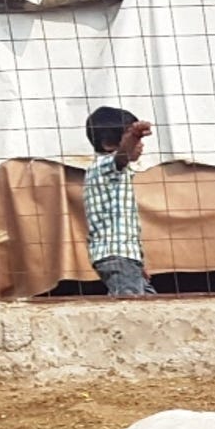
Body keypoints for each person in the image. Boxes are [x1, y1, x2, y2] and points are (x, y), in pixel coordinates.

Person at [81, 106, 150, 298]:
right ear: (109, 144)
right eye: (135, 140)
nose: (140, 145)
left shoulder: (106, 171)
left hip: (124, 257)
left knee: (150, 302)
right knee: (131, 304)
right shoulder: (106, 166)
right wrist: (134, 134)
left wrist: (137, 264)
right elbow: (122, 155)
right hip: (117, 254)